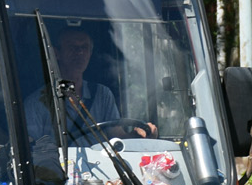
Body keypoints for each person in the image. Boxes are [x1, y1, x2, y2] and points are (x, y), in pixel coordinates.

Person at [24, 27, 154, 144]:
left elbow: (117, 138)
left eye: (84, 47)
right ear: (56, 53)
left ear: (90, 54)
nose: (80, 52)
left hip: (101, 163)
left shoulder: (102, 95)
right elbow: (32, 148)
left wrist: (141, 135)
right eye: (72, 47)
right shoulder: (37, 103)